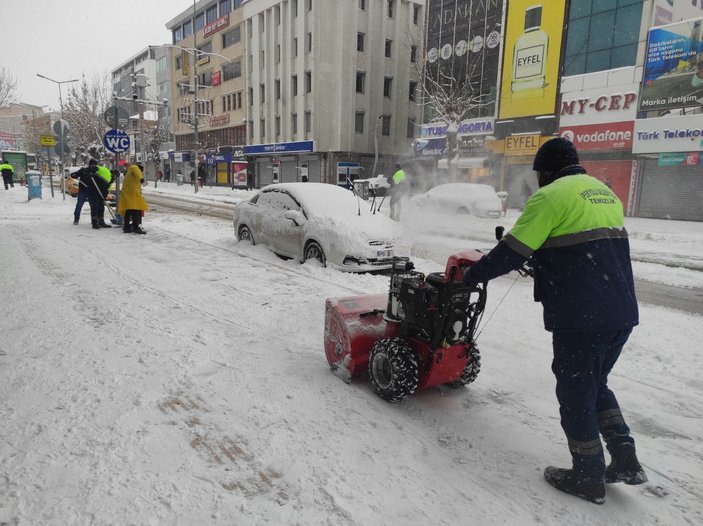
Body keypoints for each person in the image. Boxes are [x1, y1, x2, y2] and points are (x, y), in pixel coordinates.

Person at [462, 137, 646, 505]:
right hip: (620, 312)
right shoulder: (603, 193)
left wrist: (468, 277)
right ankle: (625, 458)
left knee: (576, 391)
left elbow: (510, 252)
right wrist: (547, 262)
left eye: (538, 173)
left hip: (582, 317)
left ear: (546, 171)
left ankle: (588, 475)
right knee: (597, 384)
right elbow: (583, 248)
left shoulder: (549, 197)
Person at [118, 164, 149, 234]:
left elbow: (137, 185)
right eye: (141, 172)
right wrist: (141, 178)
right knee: (136, 209)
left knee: (128, 210)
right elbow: (136, 170)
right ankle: (135, 227)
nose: (141, 173)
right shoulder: (134, 167)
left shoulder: (130, 174)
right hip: (131, 193)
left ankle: (126, 227)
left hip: (128, 193)